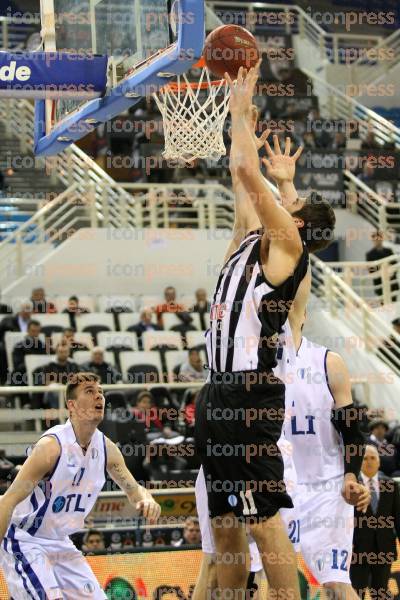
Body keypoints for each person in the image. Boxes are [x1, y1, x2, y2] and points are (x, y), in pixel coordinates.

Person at [194, 64, 335, 600]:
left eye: (290, 205)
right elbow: (241, 181)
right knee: (227, 525)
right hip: (217, 391)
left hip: (249, 395)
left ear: (296, 224)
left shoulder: (288, 249)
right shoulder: (252, 241)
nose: (282, 202)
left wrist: (238, 105)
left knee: (262, 517)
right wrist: (248, 130)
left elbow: (246, 174)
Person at [0, 372, 160, 599]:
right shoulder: (51, 447)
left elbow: (135, 491)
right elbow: (7, 501)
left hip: (61, 542)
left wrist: (147, 499)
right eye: (90, 391)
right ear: (72, 405)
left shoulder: (107, 449)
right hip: (25, 538)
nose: (99, 397)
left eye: (101, 392)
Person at [351, 444, 400, 599]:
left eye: (373, 458)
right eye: (365, 458)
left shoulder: (391, 485)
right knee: (356, 592)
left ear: (379, 462)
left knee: (380, 593)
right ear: (359, 461)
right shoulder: (351, 487)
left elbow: (397, 517)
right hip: (358, 551)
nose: (369, 462)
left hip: (384, 549)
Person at [365, 231, 399, 301]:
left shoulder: (388, 251)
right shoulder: (369, 254)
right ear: (373, 240)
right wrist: (382, 268)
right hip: (380, 284)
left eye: (379, 239)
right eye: (375, 239)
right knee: (384, 304)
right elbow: (371, 270)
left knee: (394, 303)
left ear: (381, 239)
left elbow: (395, 264)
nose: (377, 241)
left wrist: (390, 269)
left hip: (392, 282)